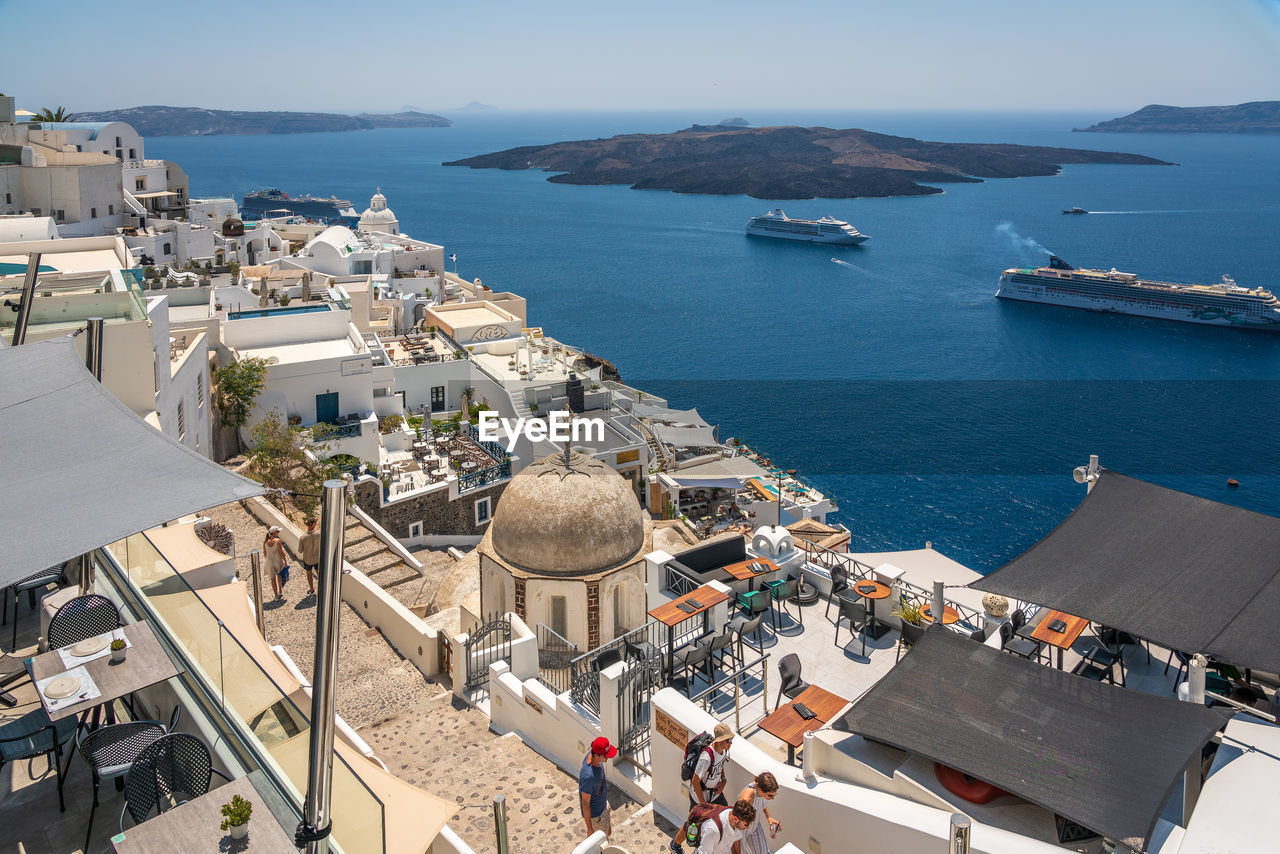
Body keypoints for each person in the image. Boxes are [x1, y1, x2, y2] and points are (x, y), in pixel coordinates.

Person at [672, 724, 735, 851]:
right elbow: (695, 781)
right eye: (728, 740)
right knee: (693, 824)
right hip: (699, 797)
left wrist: (723, 781)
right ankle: (675, 845)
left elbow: (720, 765)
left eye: (731, 740)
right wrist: (702, 804)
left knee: (727, 815)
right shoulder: (706, 757)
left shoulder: (723, 751)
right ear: (720, 740)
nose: (730, 743)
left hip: (715, 795)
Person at [579, 736, 616, 840]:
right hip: (597, 816)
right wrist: (590, 828)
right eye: (606, 756)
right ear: (596, 755)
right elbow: (585, 804)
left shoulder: (594, 757)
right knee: (602, 844)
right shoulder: (588, 777)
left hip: (603, 806)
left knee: (607, 833)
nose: (608, 758)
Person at [735, 772, 781, 854]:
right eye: (770, 795)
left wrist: (769, 818)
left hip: (755, 826)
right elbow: (737, 823)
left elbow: (762, 803)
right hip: (741, 830)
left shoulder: (760, 791)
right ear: (760, 790)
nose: (773, 798)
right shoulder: (748, 797)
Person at [264, 525, 287, 600]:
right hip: (278, 561)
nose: (278, 533)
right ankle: (280, 592)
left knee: (272, 579)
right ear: (274, 533)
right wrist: (285, 561)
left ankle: (276, 596)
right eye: (278, 531)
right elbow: (281, 552)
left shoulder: (265, 542)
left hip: (270, 562)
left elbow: (265, 554)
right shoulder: (277, 541)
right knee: (279, 576)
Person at [299, 517, 320, 595]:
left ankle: (311, 589)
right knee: (319, 573)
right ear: (313, 524)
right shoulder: (319, 534)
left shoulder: (303, 537)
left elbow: (300, 550)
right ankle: (322, 588)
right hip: (318, 558)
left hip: (308, 559)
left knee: (309, 574)